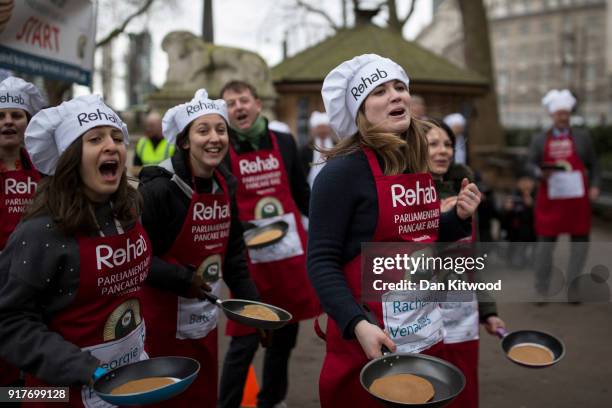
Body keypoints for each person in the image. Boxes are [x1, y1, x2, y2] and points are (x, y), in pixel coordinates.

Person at [307, 54, 481, 407]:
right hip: (368, 341)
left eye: (399, 87)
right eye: (379, 91)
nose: (396, 96)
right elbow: (320, 262)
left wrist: (457, 219)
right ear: (361, 112)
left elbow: (420, 238)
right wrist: (357, 324)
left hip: (424, 336)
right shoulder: (340, 175)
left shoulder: (415, 166)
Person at [0, 94, 151, 407]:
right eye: (95, 139)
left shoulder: (128, 211)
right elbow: (9, 321)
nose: (111, 145)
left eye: (117, 137)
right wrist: (84, 369)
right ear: (69, 160)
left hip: (128, 379)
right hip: (60, 394)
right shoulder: (40, 231)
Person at [138, 89, 260, 408]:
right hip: (160, 326)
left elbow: (232, 254)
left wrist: (255, 309)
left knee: (202, 395)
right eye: (202, 130)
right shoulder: (158, 188)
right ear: (184, 141)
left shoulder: (225, 184)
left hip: (204, 323)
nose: (214, 138)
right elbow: (136, 260)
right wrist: (182, 278)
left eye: (220, 130)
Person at [218, 80, 319, 408]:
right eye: (230, 104)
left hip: (288, 256)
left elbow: (302, 194)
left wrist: (326, 226)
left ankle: (272, 400)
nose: (238, 107)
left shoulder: (285, 142)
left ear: (258, 104)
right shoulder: (222, 149)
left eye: (243, 100)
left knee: (285, 336)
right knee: (243, 341)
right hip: (248, 260)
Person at [426, 119, 505, 408]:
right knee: (423, 388)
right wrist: (440, 221)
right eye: (433, 144)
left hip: (462, 316)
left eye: (447, 144)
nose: (443, 151)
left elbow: (473, 262)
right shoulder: (406, 199)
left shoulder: (466, 195)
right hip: (419, 316)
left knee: (462, 390)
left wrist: (488, 310)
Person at [527, 89, 601, 300]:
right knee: (544, 248)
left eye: (565, 113)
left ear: (569, 115)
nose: (562, 117)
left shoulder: (583, 137)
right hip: (549, 201)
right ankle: (541, 288)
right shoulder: (540, 139)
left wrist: (595, 186)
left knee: (579, 246)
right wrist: (538, 173)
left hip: (577, 201)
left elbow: (594, 166)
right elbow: (529, 164)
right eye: (558, 113)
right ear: (551, 115)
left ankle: (573, 287)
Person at [0, 76, 46, 390]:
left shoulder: (43, 168)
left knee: (31, 362)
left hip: (37, 281)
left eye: (16, 115)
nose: (8, 122)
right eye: (1, 116)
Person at [298, 110, 336, 188]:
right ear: (313, 130)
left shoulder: (338, 146)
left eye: (324, 127)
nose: (322, 130)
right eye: (319, 127)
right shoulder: (305, 149)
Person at [131, 111, 175, 176]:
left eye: (152, 126)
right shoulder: (142, 143)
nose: (148, 128)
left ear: (161, 125)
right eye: (147, 125)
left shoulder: (172, 142)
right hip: (145, 184)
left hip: (166, 184)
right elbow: (134, 170)